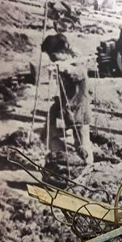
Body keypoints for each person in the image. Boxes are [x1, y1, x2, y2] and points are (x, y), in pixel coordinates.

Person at [41, 34, 93, 165]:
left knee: (82, 143)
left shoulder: (74, 63)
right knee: (50, 129)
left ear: (61, 52)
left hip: (79, 109)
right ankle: (61, 156)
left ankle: (86, 165)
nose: (51, 59)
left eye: (52, 55)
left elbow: (81, 73)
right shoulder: (62, 63)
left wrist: (67, 69)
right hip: (68, 107)